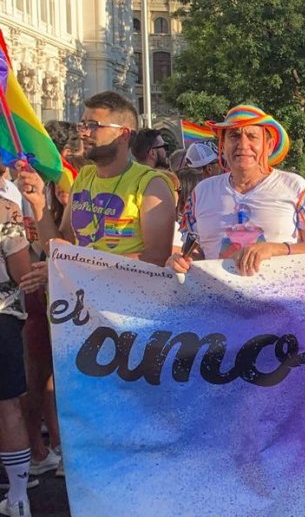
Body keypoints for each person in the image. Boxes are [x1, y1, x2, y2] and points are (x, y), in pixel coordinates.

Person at [16, 91, 177, 294]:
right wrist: (38, 202)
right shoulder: (84, 177)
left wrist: (75, 266)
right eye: (82, 125)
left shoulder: (151, 184)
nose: (83, 133)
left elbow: (155, 259)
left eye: (93, 126)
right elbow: (60, 248)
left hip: (127, 311)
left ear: (123, 134)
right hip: (83, 310)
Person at [168, 104, 305, 276]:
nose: (242, 144)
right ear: (223, 145)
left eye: (252, 136)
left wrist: (274, 249)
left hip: (281, 299)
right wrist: (180, 261)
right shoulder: (201, 192)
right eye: (234, 136)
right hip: (218, 300)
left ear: (269, 146)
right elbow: (196, 252)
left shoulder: (296, 188)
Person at [0, 196, 36, 517]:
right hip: (2, 316)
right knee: (7, 405)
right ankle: (19, 497)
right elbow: (21, 273)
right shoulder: (5, 208)